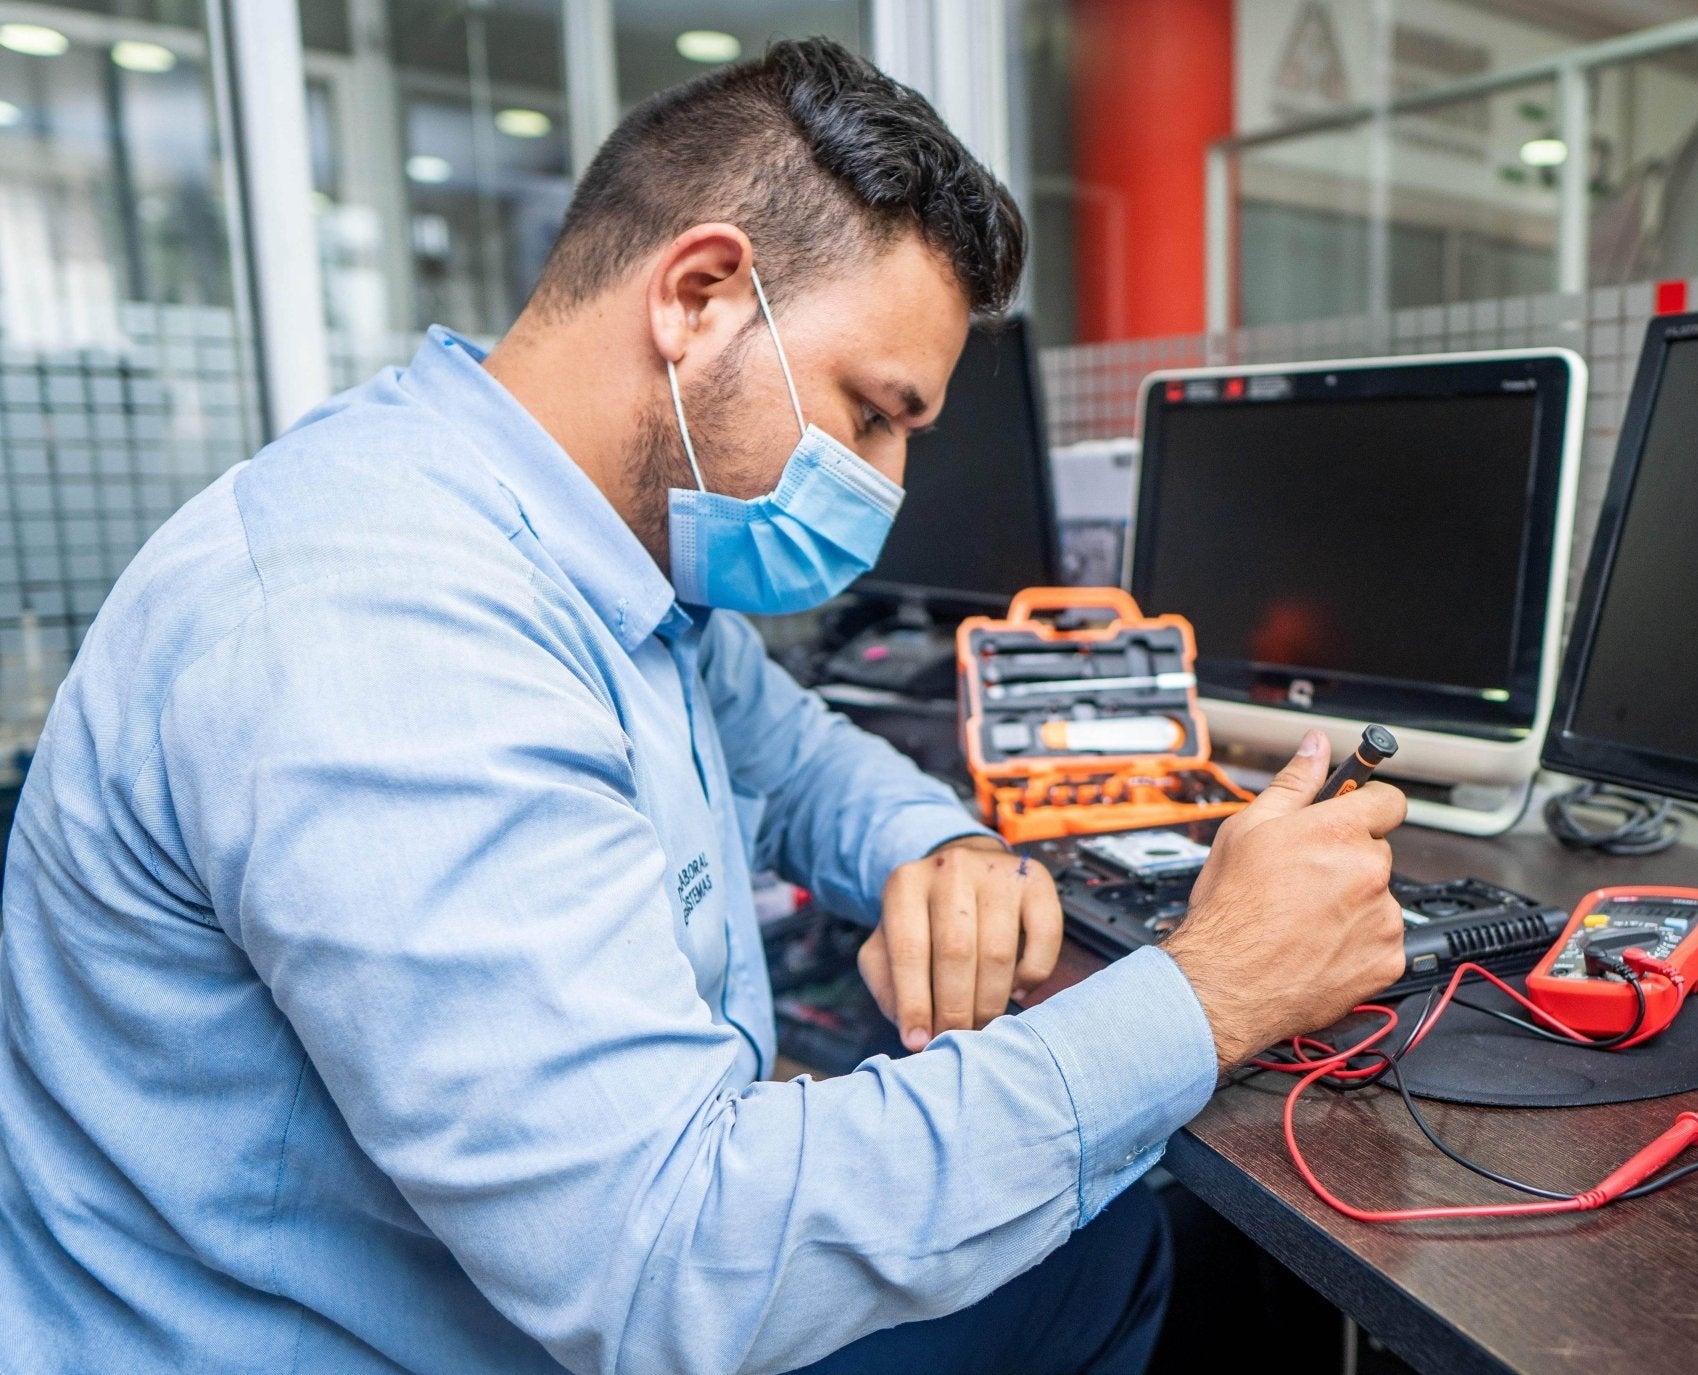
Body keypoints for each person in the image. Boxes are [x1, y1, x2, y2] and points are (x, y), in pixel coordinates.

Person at [0, 37, 1407, 1375]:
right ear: (698, 298)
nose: (890, 483)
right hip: (466, 1331)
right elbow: (673, 1273)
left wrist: (940, 847)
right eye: (872, 413)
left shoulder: (584, 553)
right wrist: (1207, 993)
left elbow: (791, 759)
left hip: (524, 1297)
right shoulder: (380, 627)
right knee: (1127, 1258)